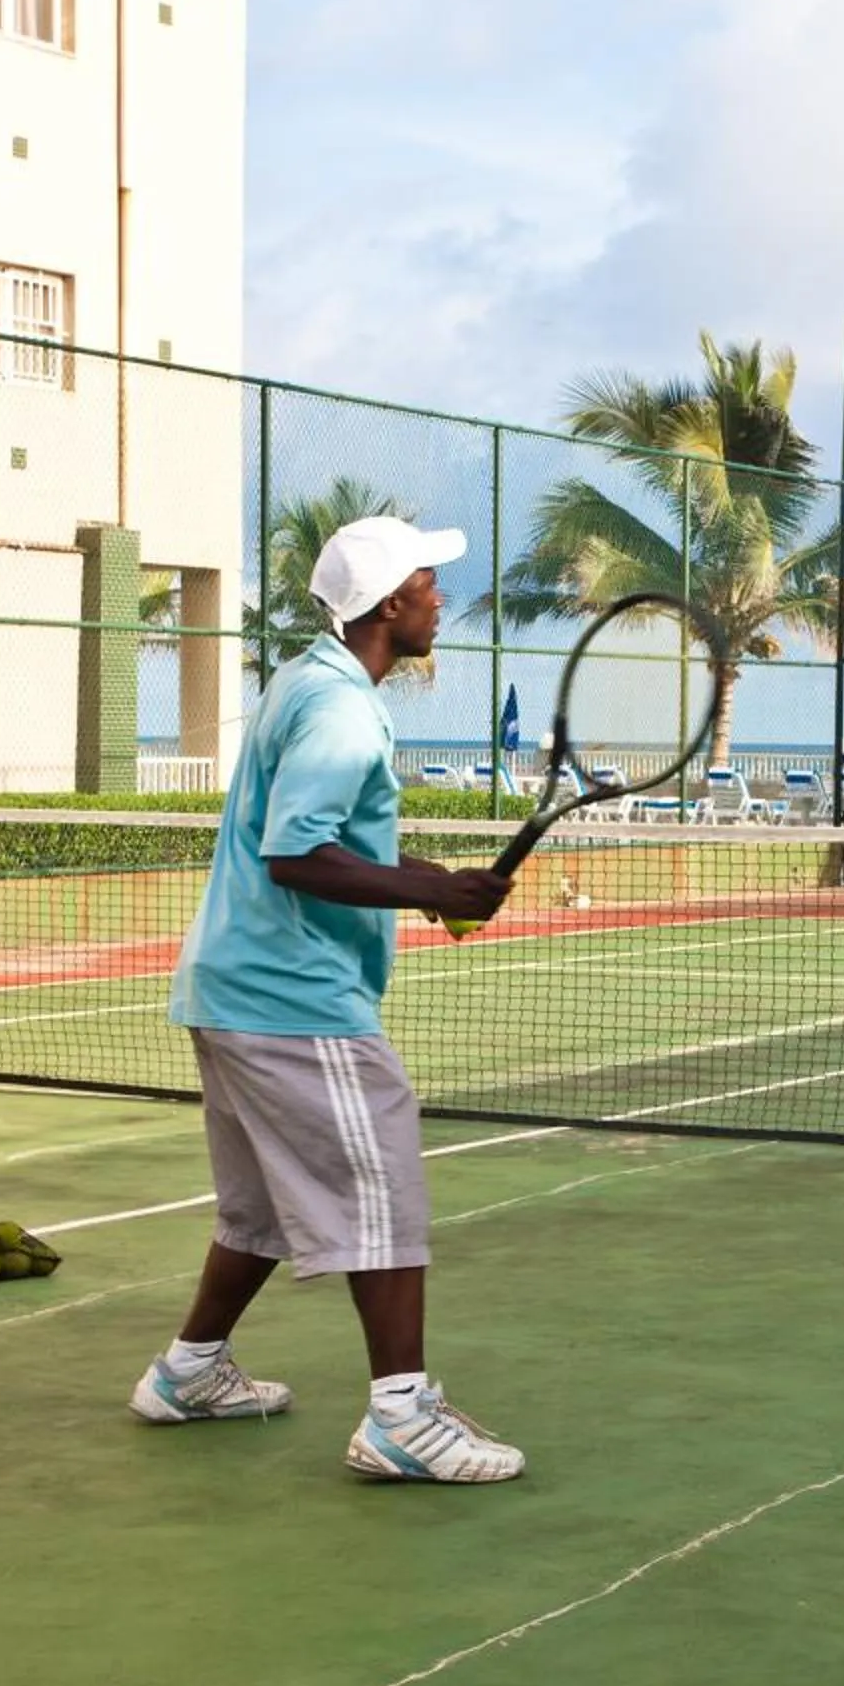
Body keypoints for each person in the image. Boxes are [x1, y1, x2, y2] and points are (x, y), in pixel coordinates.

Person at [131, 515, 525, 1484]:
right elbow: (296, 853)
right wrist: (432, 887)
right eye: (427, 584)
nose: (439, 597)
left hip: (230, 987)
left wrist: (428, 879)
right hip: (293, 999)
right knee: (382, 1191)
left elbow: (328, 835)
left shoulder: (306, 680)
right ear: (389, 605)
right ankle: (402, 1418)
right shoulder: (342, 711)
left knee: (260, 1206)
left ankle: (188, 1372)